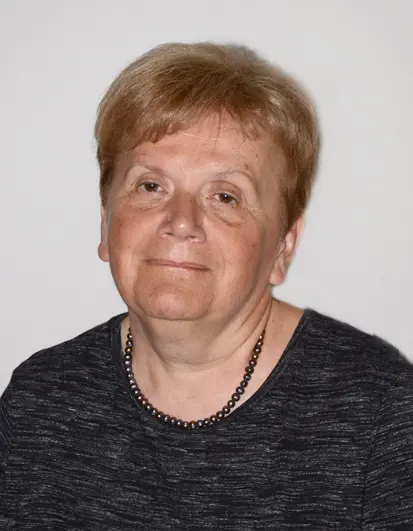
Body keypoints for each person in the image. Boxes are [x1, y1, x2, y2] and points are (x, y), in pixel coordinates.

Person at [1, 42, 412, 531]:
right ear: (106, 222)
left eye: (225, 196)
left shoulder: (378, 410)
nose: (181, 221)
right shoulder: (41, 402)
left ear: (283, 245)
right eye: (151, 186)